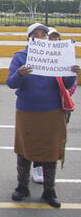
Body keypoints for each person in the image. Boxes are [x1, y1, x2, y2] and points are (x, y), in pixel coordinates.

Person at [7, 23, 80, 208]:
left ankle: (49, 191)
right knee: (24, 150)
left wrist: (72, 73)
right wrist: (20, 73)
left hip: (52, 111)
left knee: (51, 151)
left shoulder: (57, 55)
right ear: (29, 38)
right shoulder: (20, 57)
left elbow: (66, 82)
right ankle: (22, 187)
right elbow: (11, 83)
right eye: (36, 34)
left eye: (43, 34)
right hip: (27, 110)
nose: (41, 37)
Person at [32, 27, 78, 184]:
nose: (54, 41)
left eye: (57, 38)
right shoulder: (38, 58)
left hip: (60, 107)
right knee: (39, 138)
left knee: (53, 140)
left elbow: (71, 86)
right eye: (51, 38)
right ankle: (37, 166)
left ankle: (48, 170)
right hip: (42, 107)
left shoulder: (66, 59)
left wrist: (72, 75)